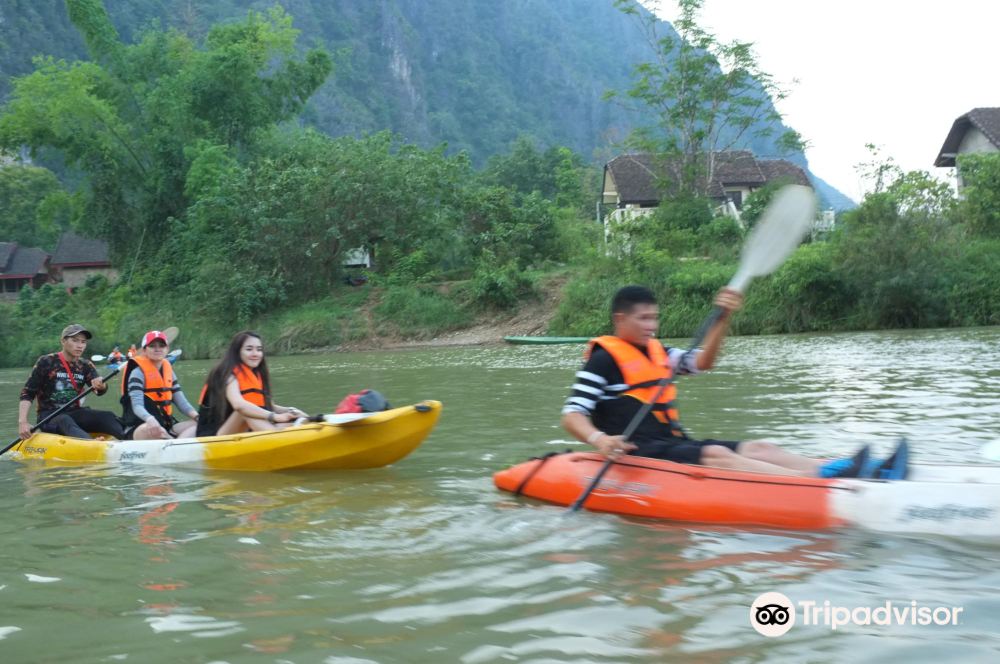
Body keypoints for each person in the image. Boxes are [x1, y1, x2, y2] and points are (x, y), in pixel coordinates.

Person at [561, 285, 906, 479]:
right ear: (620, 319)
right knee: (716, 453)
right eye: (644, 318)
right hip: (637, 450)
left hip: (669, 443)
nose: (652, 325)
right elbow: (573, 413)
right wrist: (600, 440)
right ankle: (826, 483)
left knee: (761, 448)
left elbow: (703, 362)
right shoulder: (603, 359)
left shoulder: (659, 352)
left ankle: (851, 468)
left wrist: (723, 319)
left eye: (655, 317)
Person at [17, 324, 124, 440]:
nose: (80, 345)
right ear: (63, 341)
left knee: (107, 416)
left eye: (83, 342)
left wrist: (102, 385)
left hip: (75, 413)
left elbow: (99, 392)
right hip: (49, 416)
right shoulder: (46, 361)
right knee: (64, 420)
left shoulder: (86, 365)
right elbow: (27, 393)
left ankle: (129, 438)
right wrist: (23, 422)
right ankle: (91, 444)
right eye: (75, 340)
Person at [196, 331, 305, 437]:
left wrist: (292, 411)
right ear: (237, 352)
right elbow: (239, 405)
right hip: (214, 435)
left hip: (239, 429)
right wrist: (275, 417)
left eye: (259, 350)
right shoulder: (226, 373)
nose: (255, 354)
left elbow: (270, 405)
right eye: (249, 349)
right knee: (245, 412)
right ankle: (279, 438)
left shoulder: (256, 374)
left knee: (291, 421)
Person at [120, 330, 199, 440]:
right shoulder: (137, 373)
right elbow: (137, 406)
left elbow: (182, 403)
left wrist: (197, 416)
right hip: (141, 427)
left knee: (201, 424)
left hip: (166, 426)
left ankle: (176, 443)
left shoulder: (169, 372)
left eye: (161, 346)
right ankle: (173, 442)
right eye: (152, 346)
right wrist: (149, 419)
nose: (157, 349)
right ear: (144, 350)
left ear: (167, 349)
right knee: (153, 430)